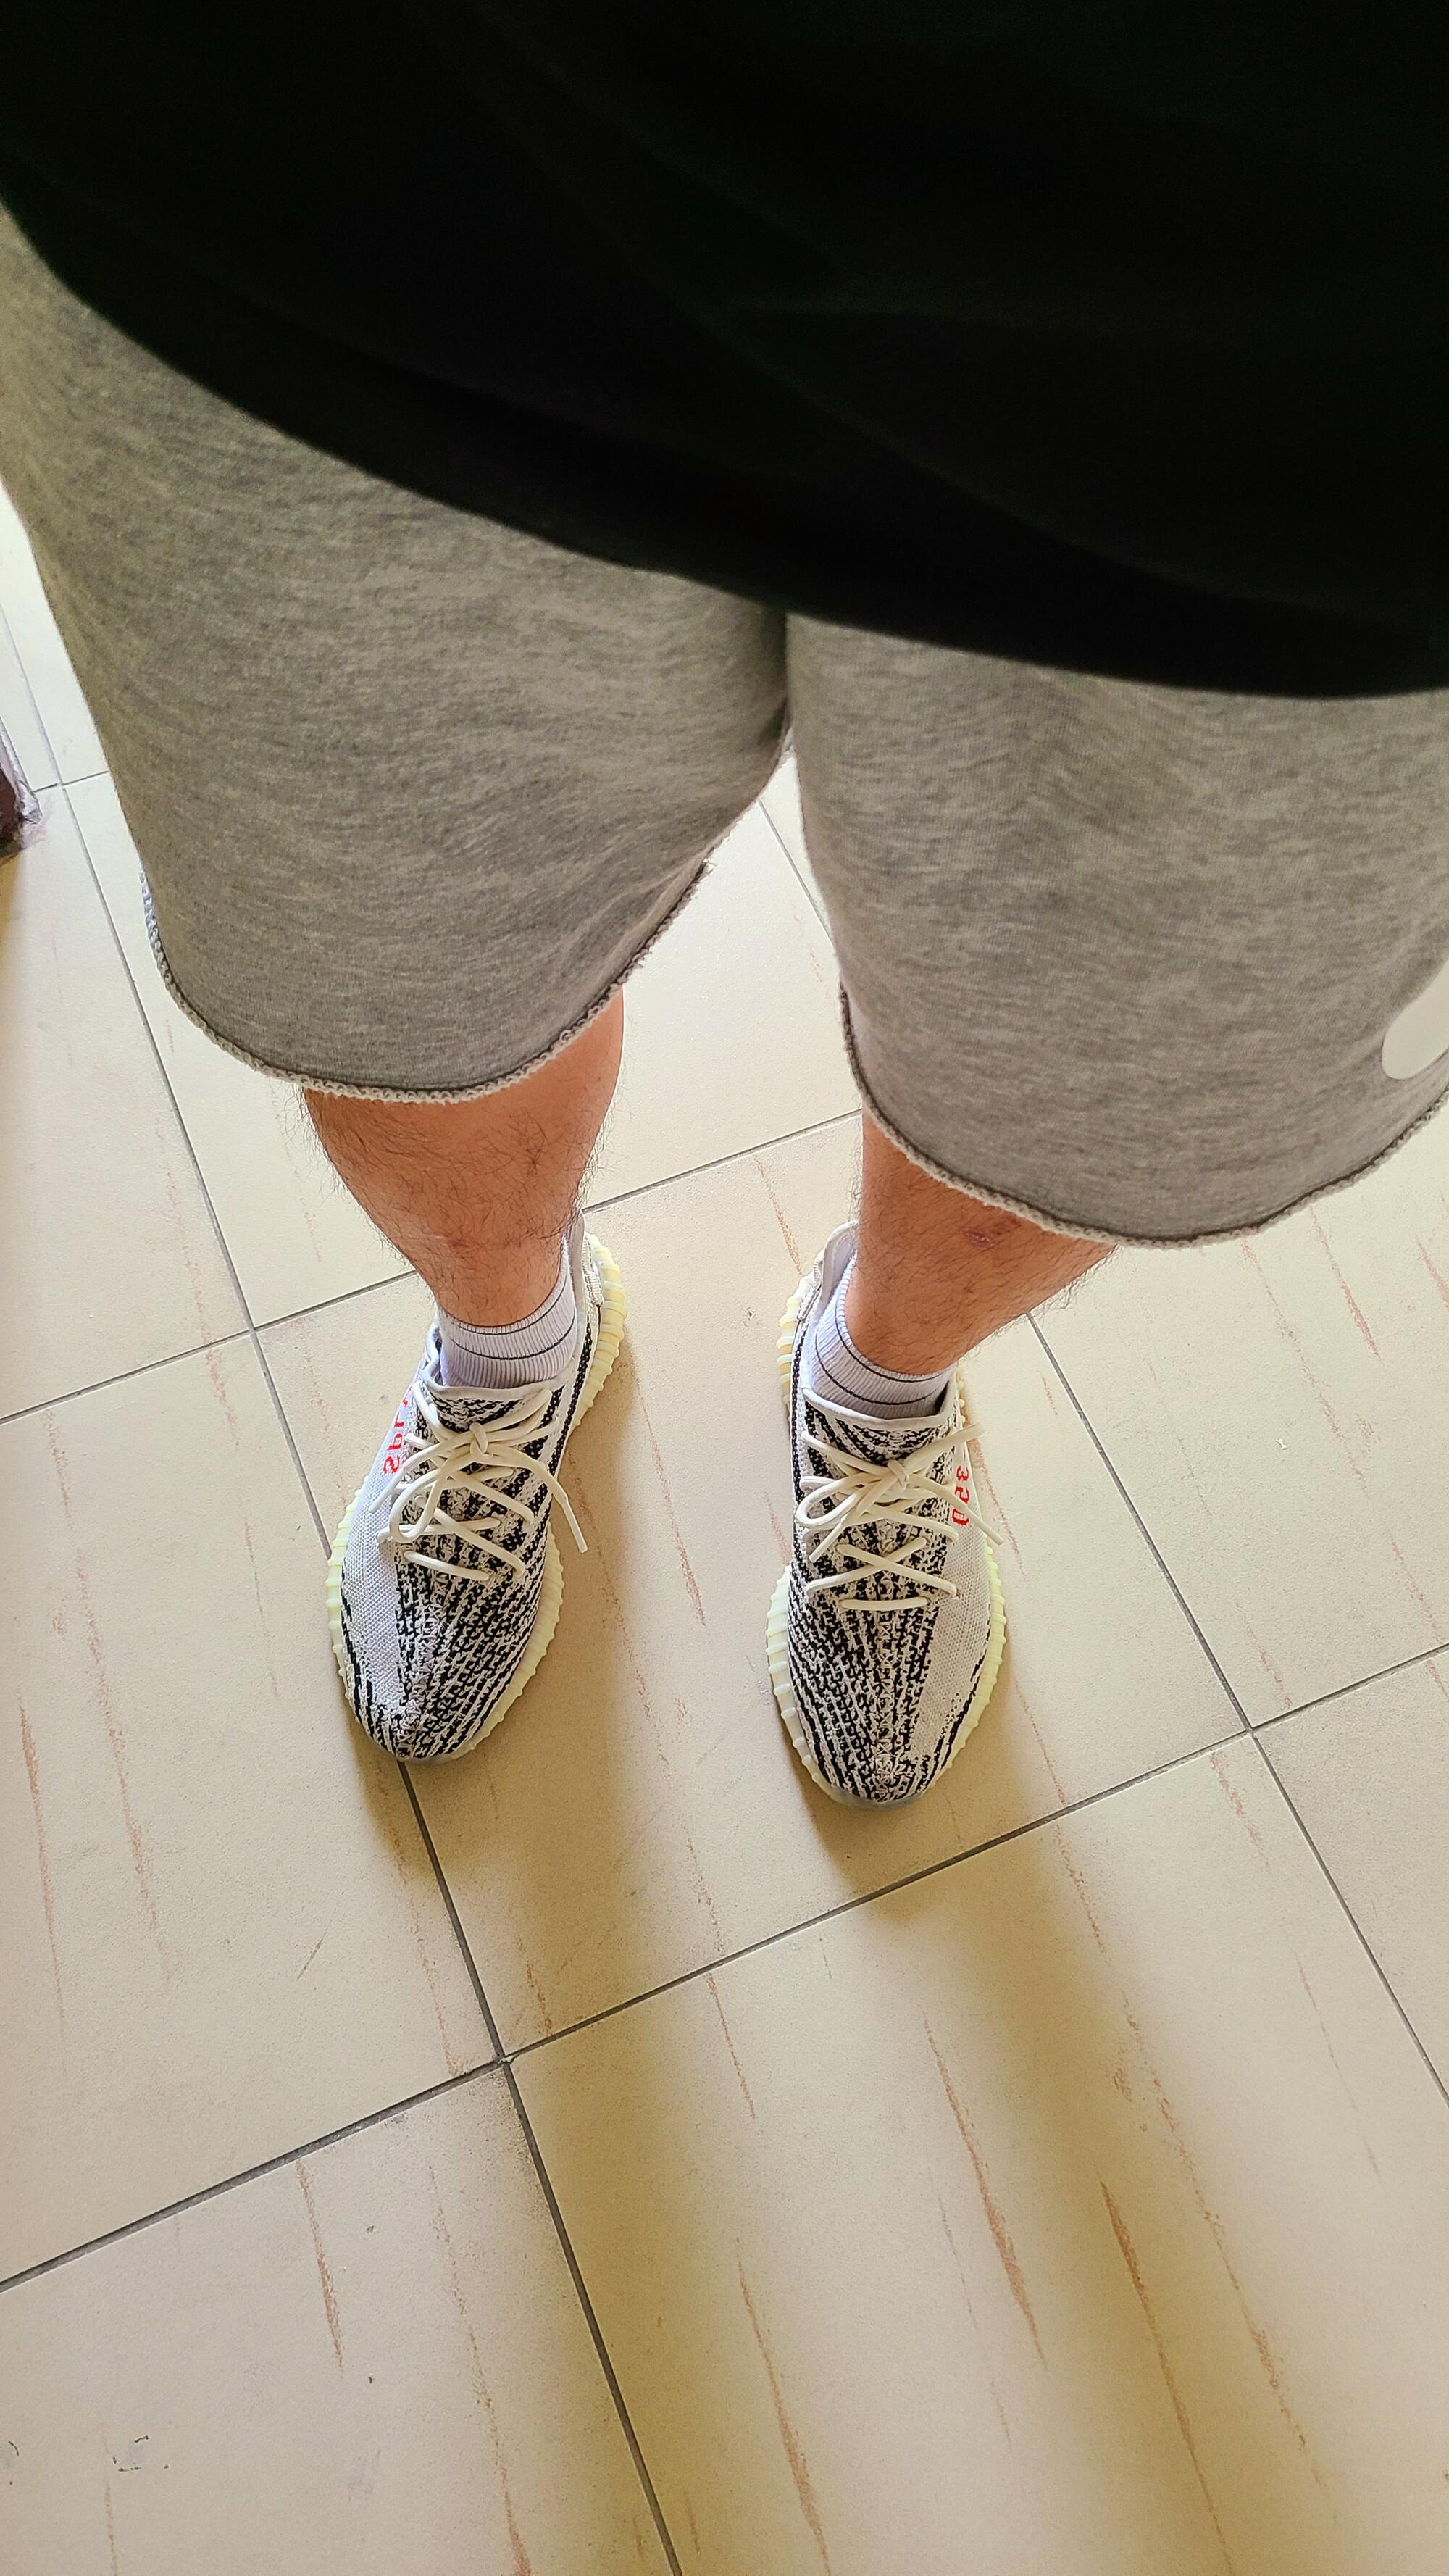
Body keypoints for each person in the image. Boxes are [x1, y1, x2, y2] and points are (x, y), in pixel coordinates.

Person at [3, 8, 1446, 1803]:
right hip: (333, 166)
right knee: (387, 990)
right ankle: (508, 1345)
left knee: (1103, 1102)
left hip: (1327, 349)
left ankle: (879, 1390)